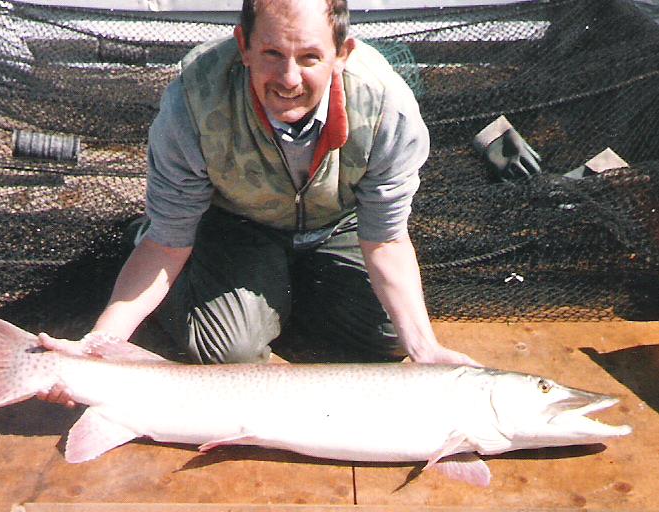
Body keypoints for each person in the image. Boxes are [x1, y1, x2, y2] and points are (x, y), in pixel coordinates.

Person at [40, 0, 478, 406]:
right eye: (271, 54)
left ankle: (277, 295)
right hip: (236, 223)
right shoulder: (193, 102)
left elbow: (385, 241)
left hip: (338, 224)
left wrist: (426, 349)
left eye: (310, 57)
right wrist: (100, 345)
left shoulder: (387, 107)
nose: (289, 79)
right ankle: (195, 285)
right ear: (243, 46)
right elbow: (168, 243)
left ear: (342, 54)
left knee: (389, 336)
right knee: (234, 349)